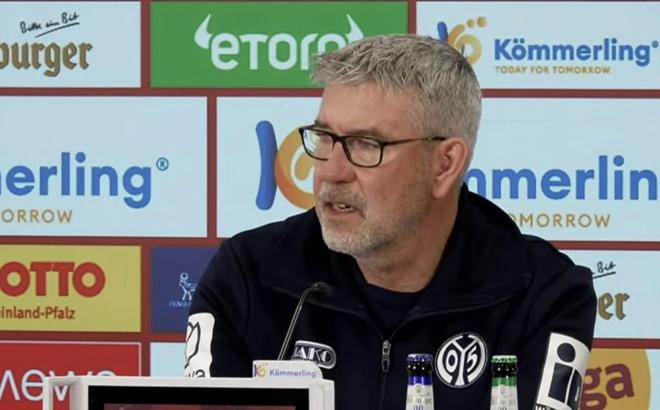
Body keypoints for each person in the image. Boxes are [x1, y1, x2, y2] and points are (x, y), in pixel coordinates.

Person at [185, 34, 597, 410]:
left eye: (366, 145)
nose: (331, 172)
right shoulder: (248, 276)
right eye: (325, 138)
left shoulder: (543, 293)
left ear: (444, 164)